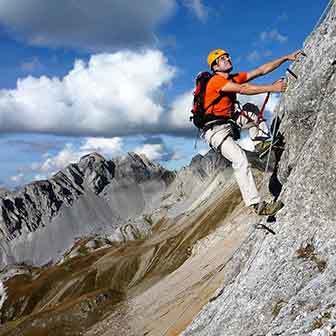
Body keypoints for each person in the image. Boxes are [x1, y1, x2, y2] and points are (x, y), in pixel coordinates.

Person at [202, 48, 303, 216]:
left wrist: (285, 57)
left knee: (250, 108)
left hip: (228, 121)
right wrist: (273, 87)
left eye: (227, 56)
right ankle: (257, 205)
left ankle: (261, 142)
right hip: (214, 131)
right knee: (240, 160)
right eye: (222, 59)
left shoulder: (233, 78)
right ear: (215, 67)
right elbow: (244, 90)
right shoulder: (215, 82)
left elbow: (261, 70)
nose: (228, 59)